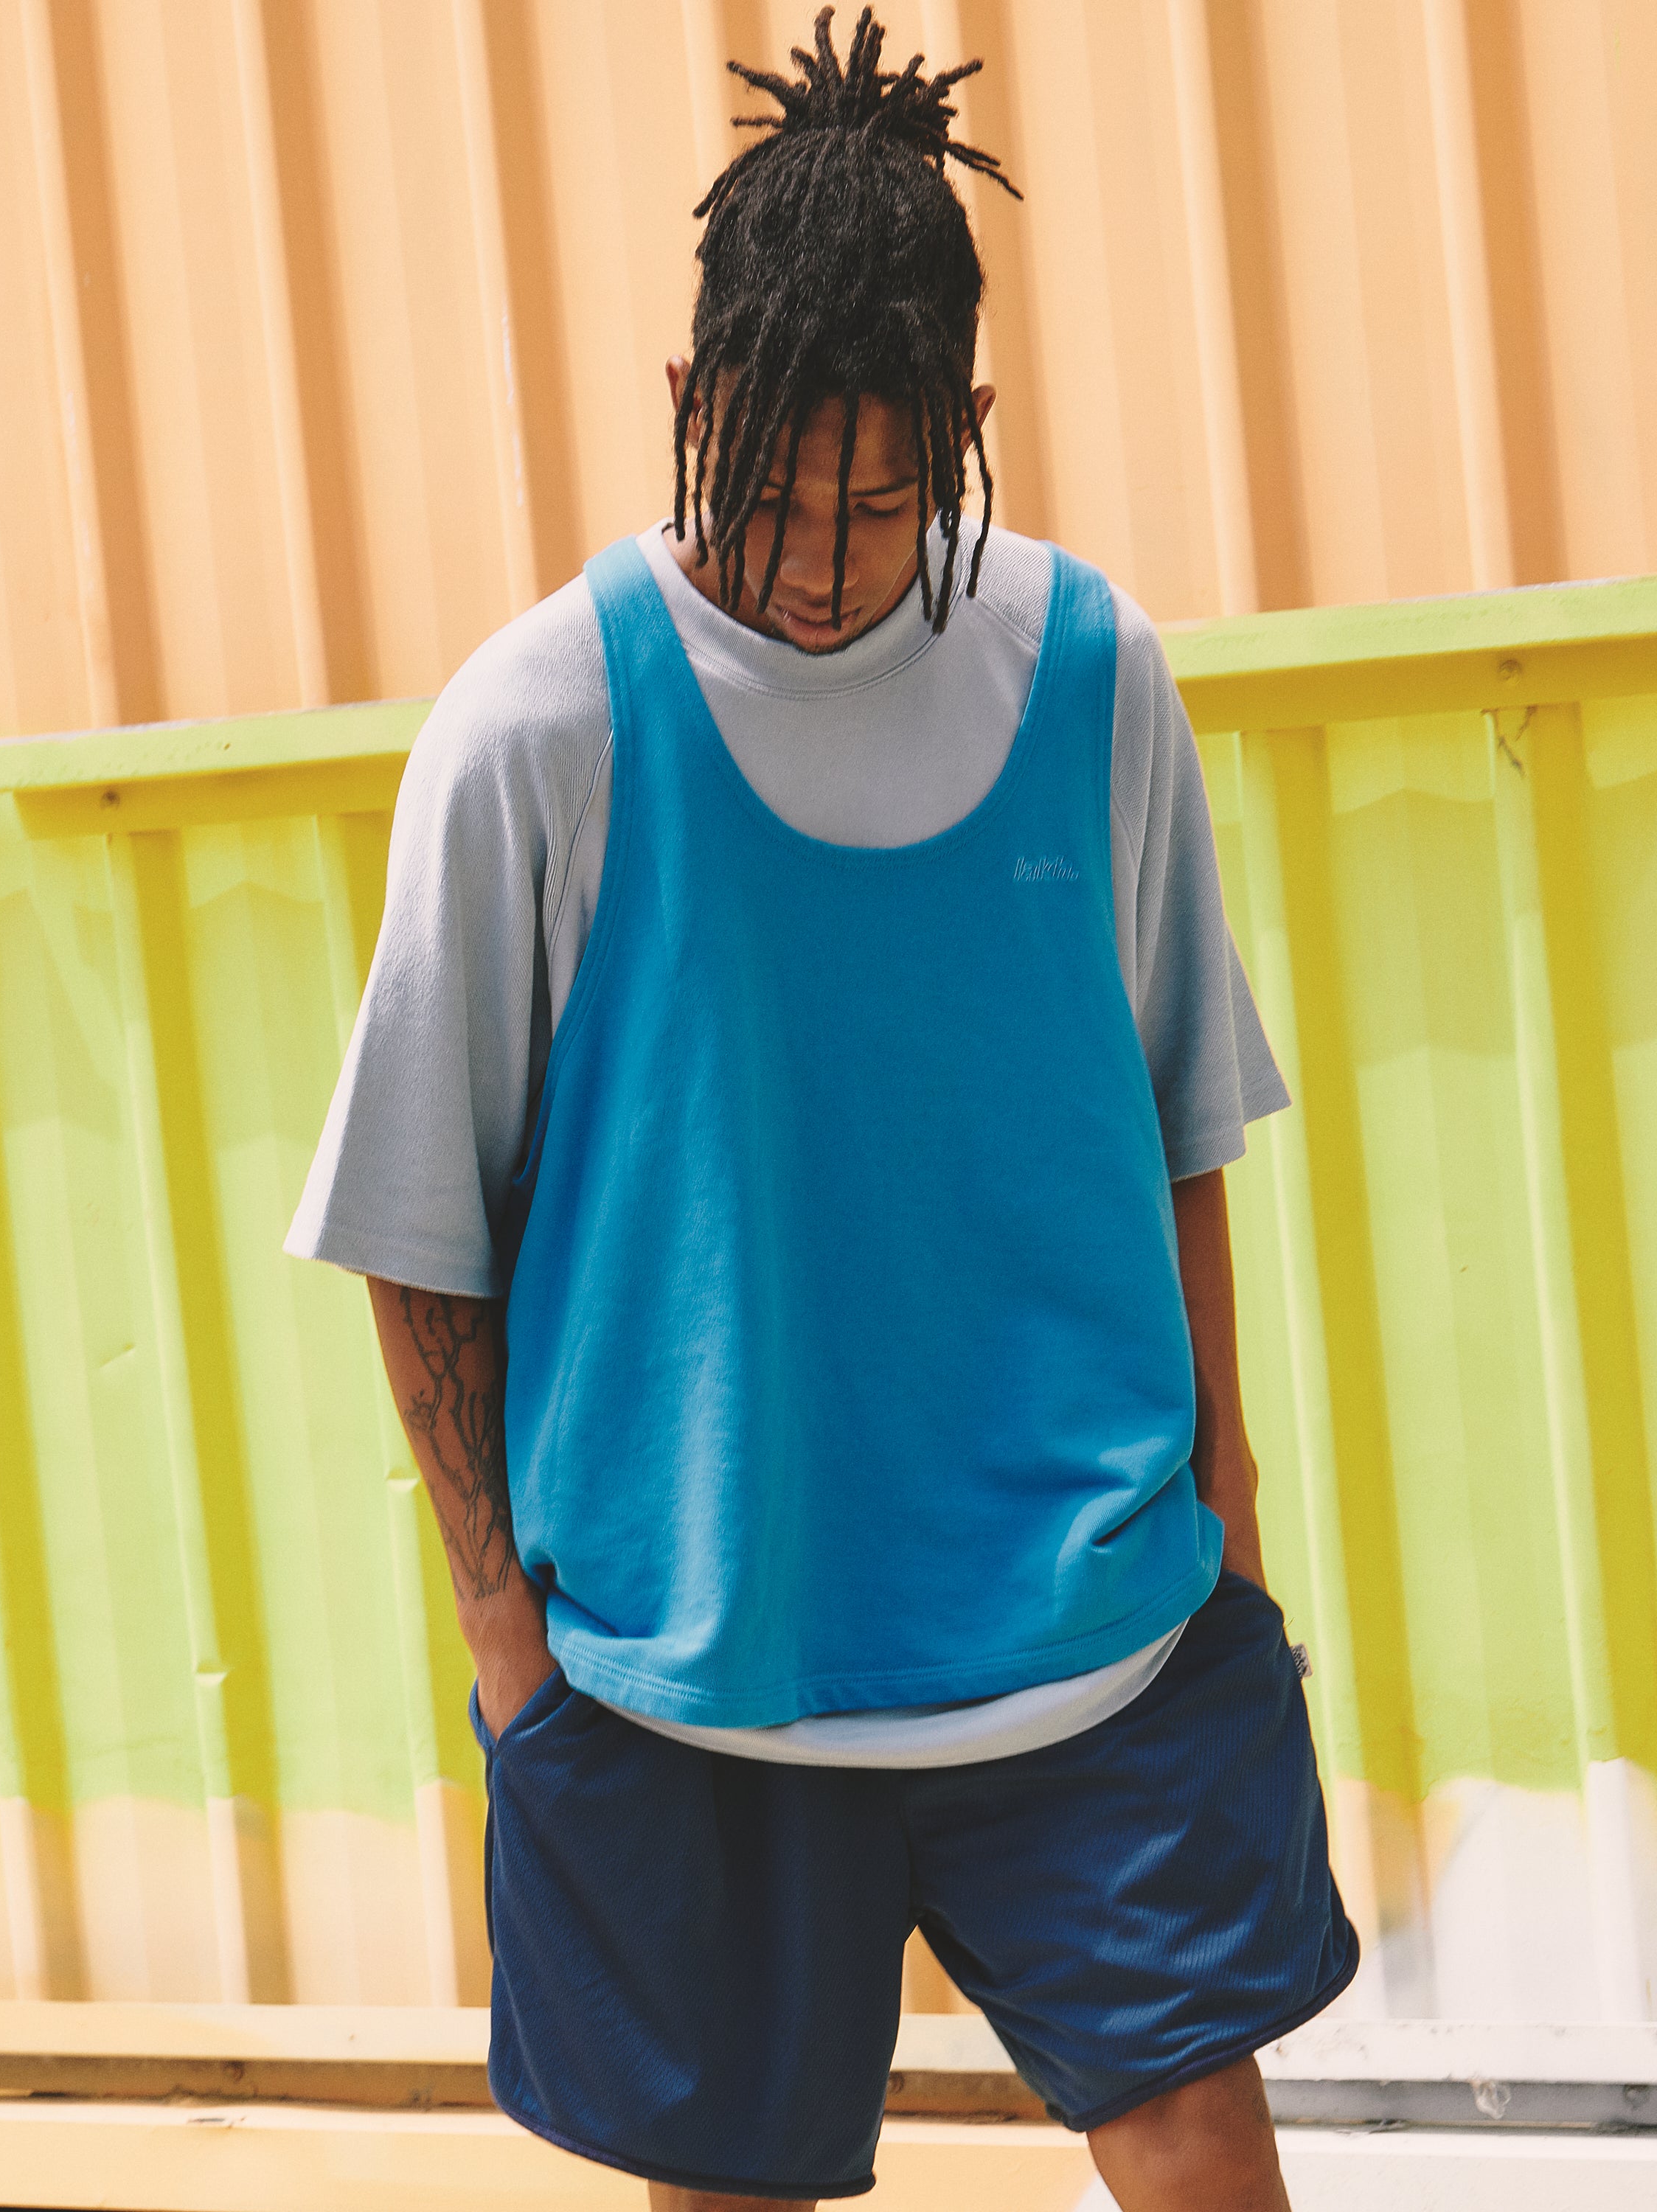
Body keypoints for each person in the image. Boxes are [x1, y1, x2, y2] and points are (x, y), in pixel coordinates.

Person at [287, 10, 1357, 2206]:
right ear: (688, 401)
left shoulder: (1090, 671)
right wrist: (507, 1646)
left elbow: (1179, 1122)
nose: (818, 556)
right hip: (699, 1671)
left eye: (880, 502)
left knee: (1208, 2163)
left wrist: (1230, 1500)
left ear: (970, 431)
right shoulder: (539, 725)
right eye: (767, 492)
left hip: (1094, 1631)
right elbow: (418, 1226)